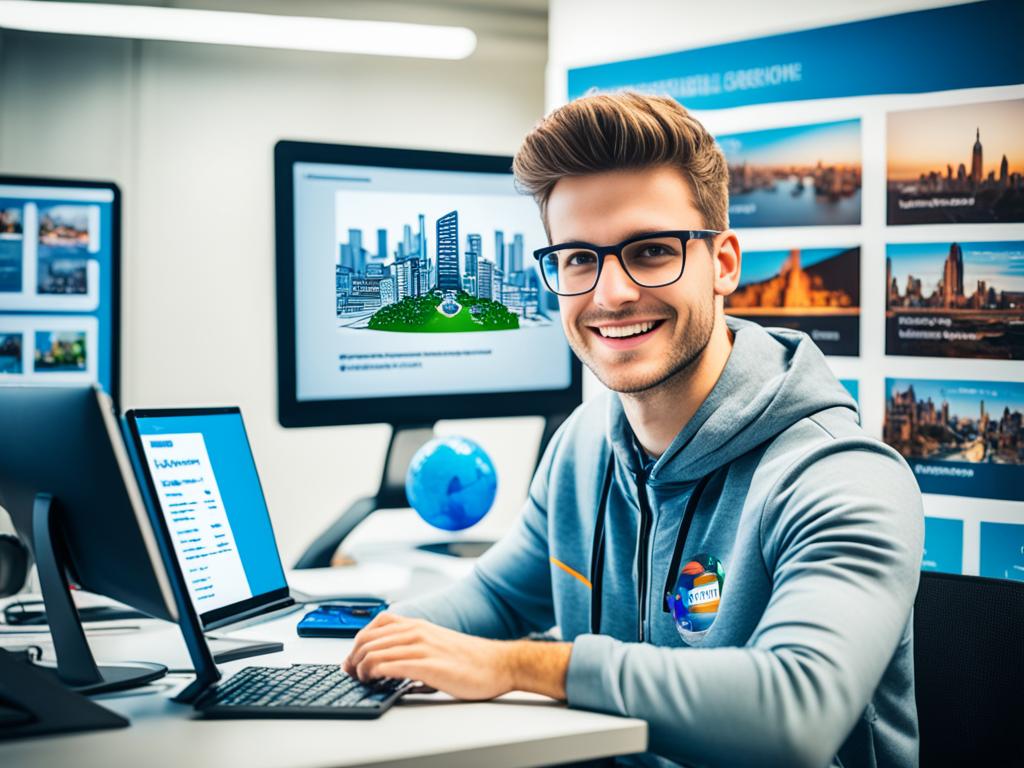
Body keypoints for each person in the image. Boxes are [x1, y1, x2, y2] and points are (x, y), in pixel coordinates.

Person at [343, 92, 923, 768]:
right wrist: (376, 644)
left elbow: (797, 712)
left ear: (725, 264)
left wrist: (526, 666)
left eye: (649, 251)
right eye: (578, 259)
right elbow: (499, 597)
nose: (610, 294)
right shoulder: (584, 445)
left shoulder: (841, 475)